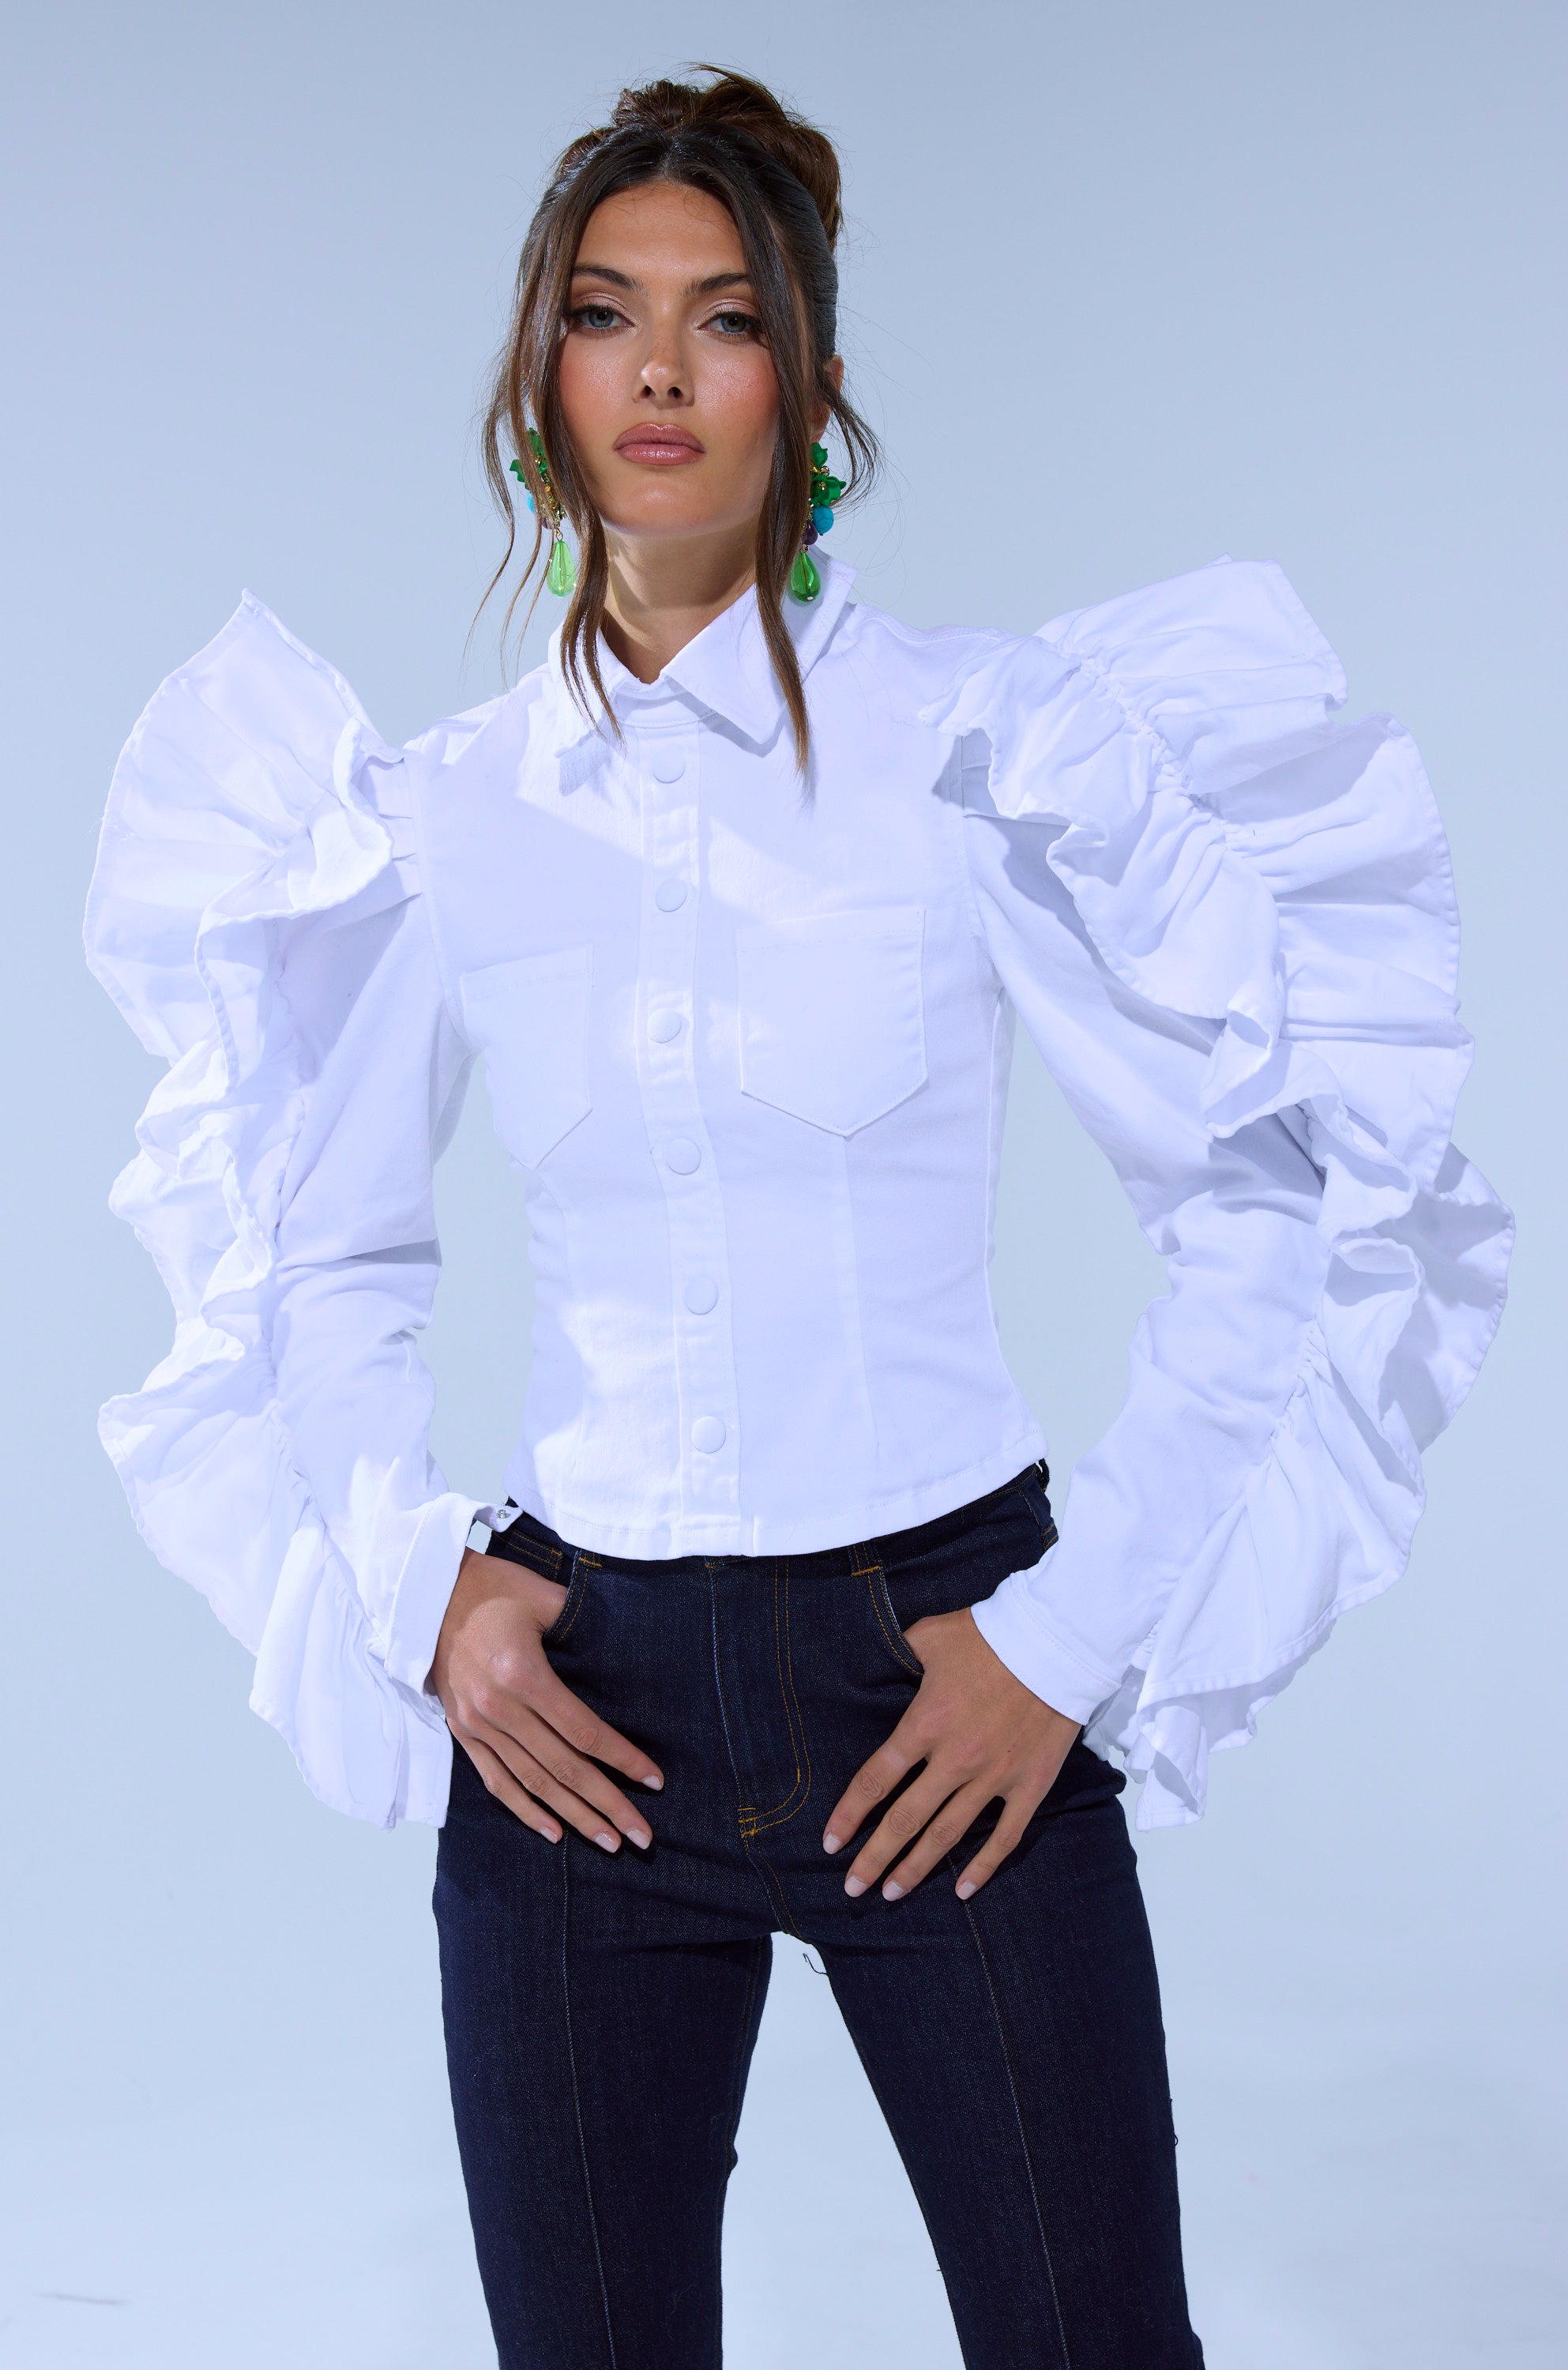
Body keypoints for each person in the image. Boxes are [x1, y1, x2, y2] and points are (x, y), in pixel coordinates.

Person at [85, 66, 1512, 2370]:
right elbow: (329, 1262)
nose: (657, 370)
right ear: (535, 382)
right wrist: (422, 1584)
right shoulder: (438, 823)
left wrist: (1061, 1643)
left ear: (806, 388)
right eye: (603, 315)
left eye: (721, 320)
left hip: (934, 1668)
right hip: (583, 1717)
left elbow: (1260, 1207)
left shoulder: (982, 749)